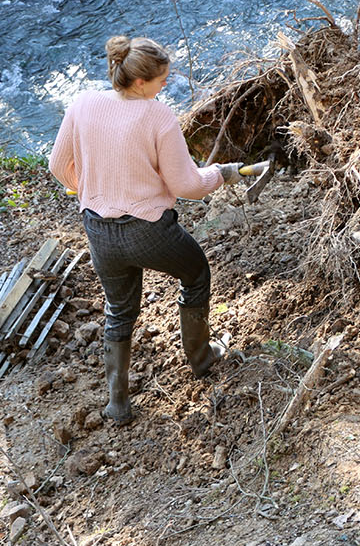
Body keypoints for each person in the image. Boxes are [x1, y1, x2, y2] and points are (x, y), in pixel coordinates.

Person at [49, 35, 247, 425]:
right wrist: (220, 174)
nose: (166, 85)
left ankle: (117, 405)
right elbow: (187, 186)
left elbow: (58, 167)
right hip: (149, 231)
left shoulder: (83, 104)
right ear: (140, 82)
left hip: (98, 232)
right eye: (162, 79)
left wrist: (92, 187)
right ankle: (201, 358)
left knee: (119, 310)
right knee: (195, 274)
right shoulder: (158, 116)